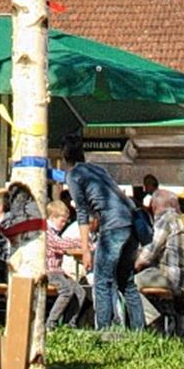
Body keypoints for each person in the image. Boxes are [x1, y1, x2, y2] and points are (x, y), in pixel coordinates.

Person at [62, 136, 145, 331]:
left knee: (102, 280)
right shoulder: (98, 169)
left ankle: (104, 331)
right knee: (126, 280)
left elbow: (81, 213)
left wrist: (85, 250)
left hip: (114, 225)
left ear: (65, 158)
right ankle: (140, 331)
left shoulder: (73, 175)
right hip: (131, 222)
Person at [134, 189, 184, 326]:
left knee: (127, 284)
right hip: (182, 278)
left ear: (154, 205)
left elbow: (150, 252)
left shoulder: (165, 221)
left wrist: (135, 264)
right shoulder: (179, 220)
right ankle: (166, 316)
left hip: (168, 276)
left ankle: (152, 319)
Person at [45, 200, 89, 329]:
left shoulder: (54, 232)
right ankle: (51, 323)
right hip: (49, 270)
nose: (64, 225)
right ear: (52, 217)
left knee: (80, 292)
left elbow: (62, 242)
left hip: (58, 271)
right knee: (66, 290)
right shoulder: (46, 230)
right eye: (62, 221)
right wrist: (81, 242)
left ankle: (70, 323)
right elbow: (58, 244)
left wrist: (81, 242)